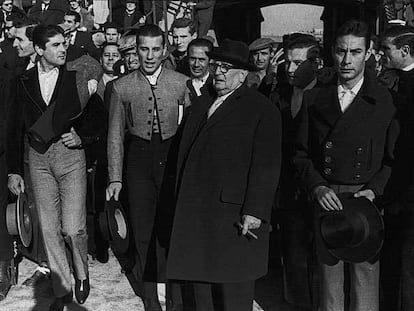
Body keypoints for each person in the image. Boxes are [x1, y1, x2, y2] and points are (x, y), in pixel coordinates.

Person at [166, 39, 282, 311]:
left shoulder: (260, 109)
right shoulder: (201, 103)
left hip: (232, 217)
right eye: (217, 65)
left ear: (243, 75)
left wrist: (254, 210)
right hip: (197, 215)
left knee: (233, 292)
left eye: (227, 68)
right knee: (200, 294)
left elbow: (267, 166)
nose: (219, 72)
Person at [293, 20, 398, 311]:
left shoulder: (385, 101)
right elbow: (300, 154)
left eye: (355, 52)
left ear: (368, 53)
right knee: (329, 281)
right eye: (341, 51)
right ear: (332, 52)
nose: (347, 60)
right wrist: (316, 186)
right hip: (328, 197)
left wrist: (374, 191)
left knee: (365, 279)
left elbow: (393, 159)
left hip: (365, 200)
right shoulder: (315, 99)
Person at [7, 24, 101, 311]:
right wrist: (14, 170)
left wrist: (81, 137)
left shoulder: (76, 76)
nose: (63, 49)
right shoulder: (21, 81)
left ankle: (81, 273)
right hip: (38, 160)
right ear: (39, 50)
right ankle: (63, 286)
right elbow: (13, 128)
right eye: (56, 45)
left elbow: (98, 116)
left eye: (64, 44)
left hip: (71, 157)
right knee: (49, 228)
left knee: (72, 228)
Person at [106, 24, 190, 311]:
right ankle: (151, 299)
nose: (150, 56)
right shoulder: (121, 86)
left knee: (171, 229)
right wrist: (115, 177)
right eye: (144, 49)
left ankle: (175, 298)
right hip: (139, 161)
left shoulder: (181, 83)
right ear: (136, 50)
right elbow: (115, 136)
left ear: (164, 50)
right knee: (143, 230)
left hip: (171, 159)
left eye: (156, 49)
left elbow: (191, 132)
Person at [272, 33, 321, 311]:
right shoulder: (279, 94)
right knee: (292, 250)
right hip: (288, 190)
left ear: (315, 64)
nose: (291, 69)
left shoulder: (327, 96)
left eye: (298, 63)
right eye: (288, 62)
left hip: (317, 187)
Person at [379, 25, 414, 311]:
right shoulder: (388, 79)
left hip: (409, 186)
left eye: (386, 49)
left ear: (404, 51)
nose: (381, 54)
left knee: (408, 260)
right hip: (392, 185)